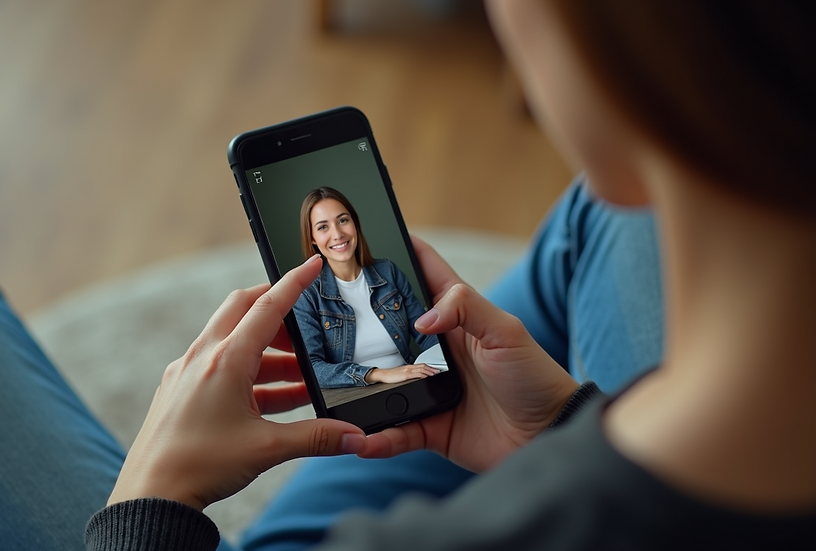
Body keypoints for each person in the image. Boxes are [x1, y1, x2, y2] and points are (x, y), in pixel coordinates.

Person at [86, 0, 816, 548]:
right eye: (322, 227)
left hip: (422, 421)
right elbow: (351, 367)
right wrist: (564, 423)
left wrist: (151, 499)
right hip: (478, 415)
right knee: (584, 228)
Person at [292, 186, 441, 389]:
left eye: (343, 220)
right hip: (357, 395)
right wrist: (379, 374)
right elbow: (313, 370)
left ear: (355, 223)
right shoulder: (307, 296)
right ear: (312, 238)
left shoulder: (388, 272)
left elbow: (427, 334)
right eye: (323, 227)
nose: (337, 234)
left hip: (411, 380)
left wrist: (446, 363)